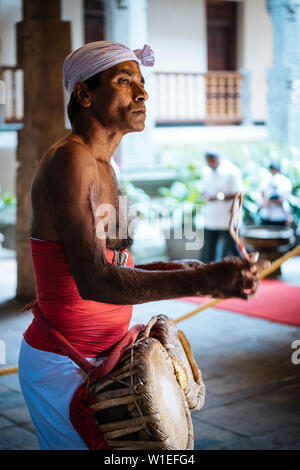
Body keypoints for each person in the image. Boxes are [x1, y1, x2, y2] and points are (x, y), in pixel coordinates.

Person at [18, 41, 267, 450]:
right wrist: (204, 280)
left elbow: (114, 262)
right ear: (83, 94)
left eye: (142, 82)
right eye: (124, 81)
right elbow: (95, 281)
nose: (142, 93)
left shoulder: (104, 167)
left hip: (102, 355)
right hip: (64, 362)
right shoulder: (70, 160)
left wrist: (185, 271)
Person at [201, 151, 243, 262]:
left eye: (212, 160)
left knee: (233, 248)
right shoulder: (206, 172)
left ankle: (244, 272)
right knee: (209, 250)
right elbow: (203, 190)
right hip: (212, 218)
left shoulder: (231, 171)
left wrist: (219, 197)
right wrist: (207, 196)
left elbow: (238, 193)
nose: (210, 163)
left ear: (217, 158)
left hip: (228, 218)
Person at [258, 162, 292, 226]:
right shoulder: (266, 180)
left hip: (280, 216)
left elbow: (283, 197)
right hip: (266, 216)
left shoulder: (285, 181)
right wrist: (264, 202)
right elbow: (260, 195)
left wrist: (269, 202)